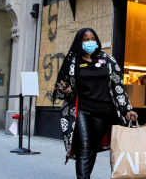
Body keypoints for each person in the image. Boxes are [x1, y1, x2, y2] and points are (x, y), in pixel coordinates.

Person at [52, 28, 138, 179]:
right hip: (81, 111)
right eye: (86, 40)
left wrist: (127, 108)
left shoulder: (107, 59)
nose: (90, 42)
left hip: (104, 113)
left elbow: (117, 86)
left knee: (91, 148)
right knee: (84, 148)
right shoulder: (72, 62)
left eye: (92, 39)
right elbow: (60, 90)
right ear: (80, 42)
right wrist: (65, 91)